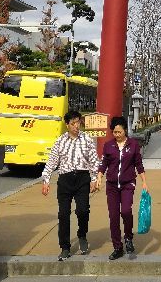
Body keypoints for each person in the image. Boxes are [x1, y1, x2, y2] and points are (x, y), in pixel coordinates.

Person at [41, 109, 100, 261]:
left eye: (78, 122)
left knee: (82, 210)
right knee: (63, 214)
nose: (76, 126)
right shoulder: (60, 141)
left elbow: (94, 160)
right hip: (65, 180)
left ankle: (82, 235)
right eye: (72, 123)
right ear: (67, 125)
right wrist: (46, 180)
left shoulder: (87, 139)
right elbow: (52, 161)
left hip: (82, 179)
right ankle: (65, 247)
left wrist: (94, 179)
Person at [96, 116, 148, 259]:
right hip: (112, 185)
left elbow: (139, 164)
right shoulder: (108, 145)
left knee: (125, 211)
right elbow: (103, 163)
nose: (117, 135)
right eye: (114, 132)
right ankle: (117, 247)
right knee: (113, 216)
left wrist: (144, 181)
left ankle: (128, 237)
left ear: (125, 130)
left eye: (119, 132)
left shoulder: (133, 145)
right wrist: (99, 176)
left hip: (128, 184)